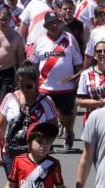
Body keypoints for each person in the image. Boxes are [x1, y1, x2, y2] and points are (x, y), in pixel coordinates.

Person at [28, 12, 84, 150]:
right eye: (50, 23)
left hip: (67, 87)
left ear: (60, 23)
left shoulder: (69, 39)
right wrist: (33, 83)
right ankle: (49, 140)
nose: (53, 25)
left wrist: (78, 79)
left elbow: (78, 62)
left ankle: (69, 132)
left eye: (56, 22)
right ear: (46, 26)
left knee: (67, 116)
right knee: (47, 117)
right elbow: (34, 64)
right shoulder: (40, 41)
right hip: (45, 88)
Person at [76, 40, 105, 123]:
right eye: (99, 51)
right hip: (91, 120)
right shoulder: (86, 74)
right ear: (95, 55)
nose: (102, 53)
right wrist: (101, 103)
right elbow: (80, 102)